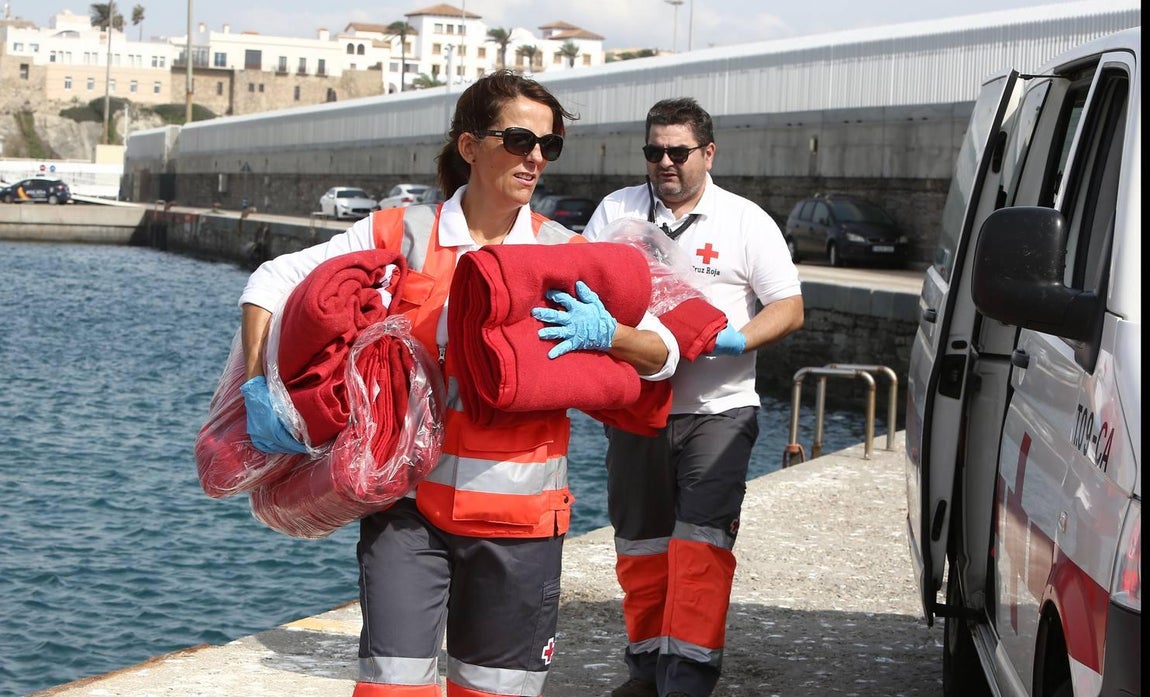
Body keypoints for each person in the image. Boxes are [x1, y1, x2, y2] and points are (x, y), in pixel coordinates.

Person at [235, 70, 680, 697]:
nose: (534, 158)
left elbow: (664, 355)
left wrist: (608, 334)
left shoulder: (564, 253)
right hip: (406, 513)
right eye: (520, 140)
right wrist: (259, 383)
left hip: (520, 524)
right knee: (391, 689)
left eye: (548, 146)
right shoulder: (403, 234)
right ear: (469, 146)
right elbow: (274, 280)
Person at [582, 97, 805, 697]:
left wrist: (737, 339)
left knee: (701, 547)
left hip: (718, 410)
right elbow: (582, 280)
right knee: (640, 545)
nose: (664, 163)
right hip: (635, 409)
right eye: (653, 151)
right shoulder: (617, 211)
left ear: (707, 153)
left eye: (678, 152)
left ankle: (688, 678)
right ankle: (645, 669)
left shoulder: (745, 220)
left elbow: (789, 306)